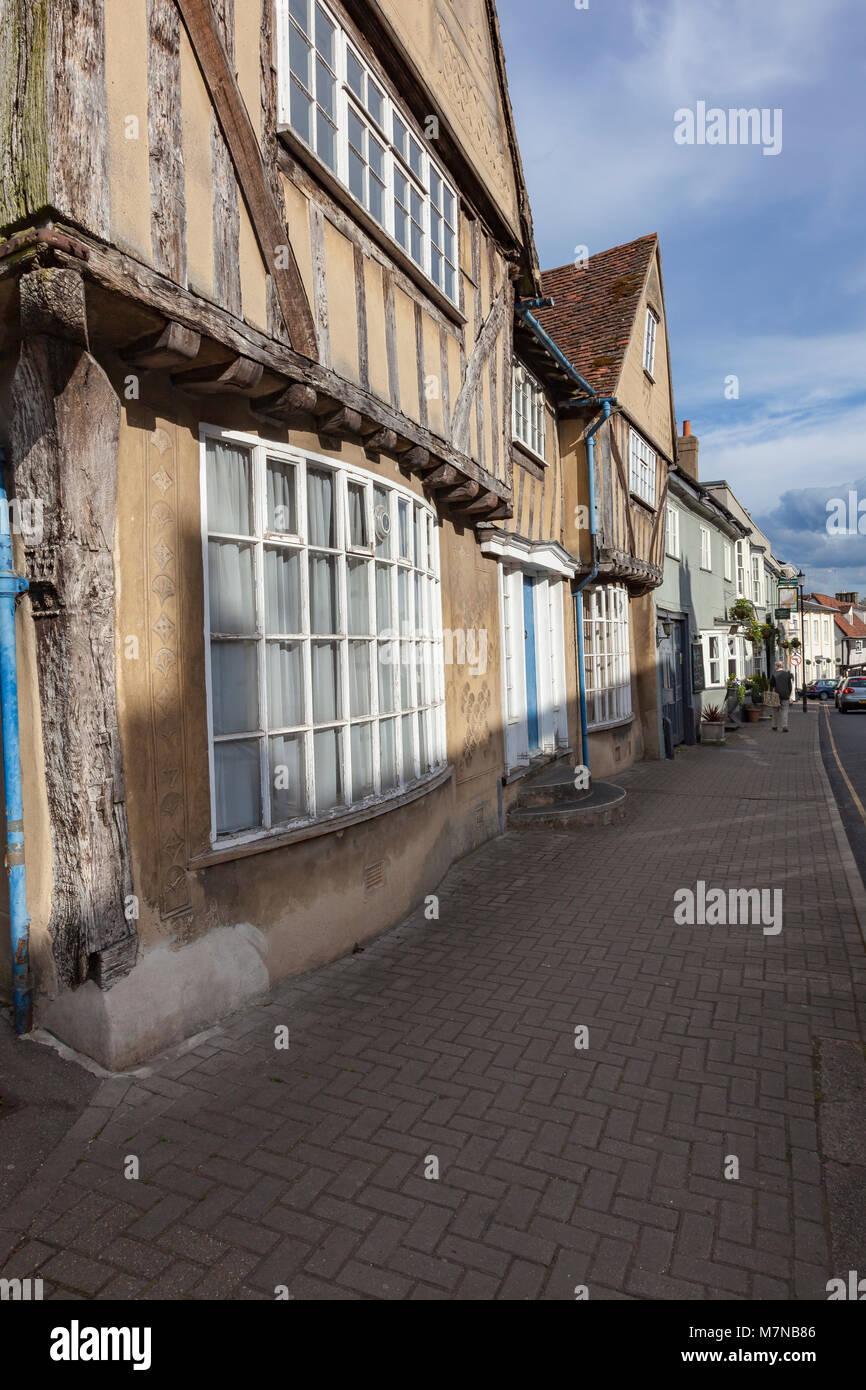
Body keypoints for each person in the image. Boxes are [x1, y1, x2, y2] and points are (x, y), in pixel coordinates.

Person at [770, 661, 794, 732]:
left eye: (775, 666)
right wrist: (789, 694)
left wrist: (771, 693)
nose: (774, 667)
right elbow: (790, 686)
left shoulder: (774, 674)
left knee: (775, 711)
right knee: (785, 711)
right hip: (785, 695)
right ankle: (784, 726)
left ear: (777, 666)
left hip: (776, 695)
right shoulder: (787, 674)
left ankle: (774, 726)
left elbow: (772, 685)